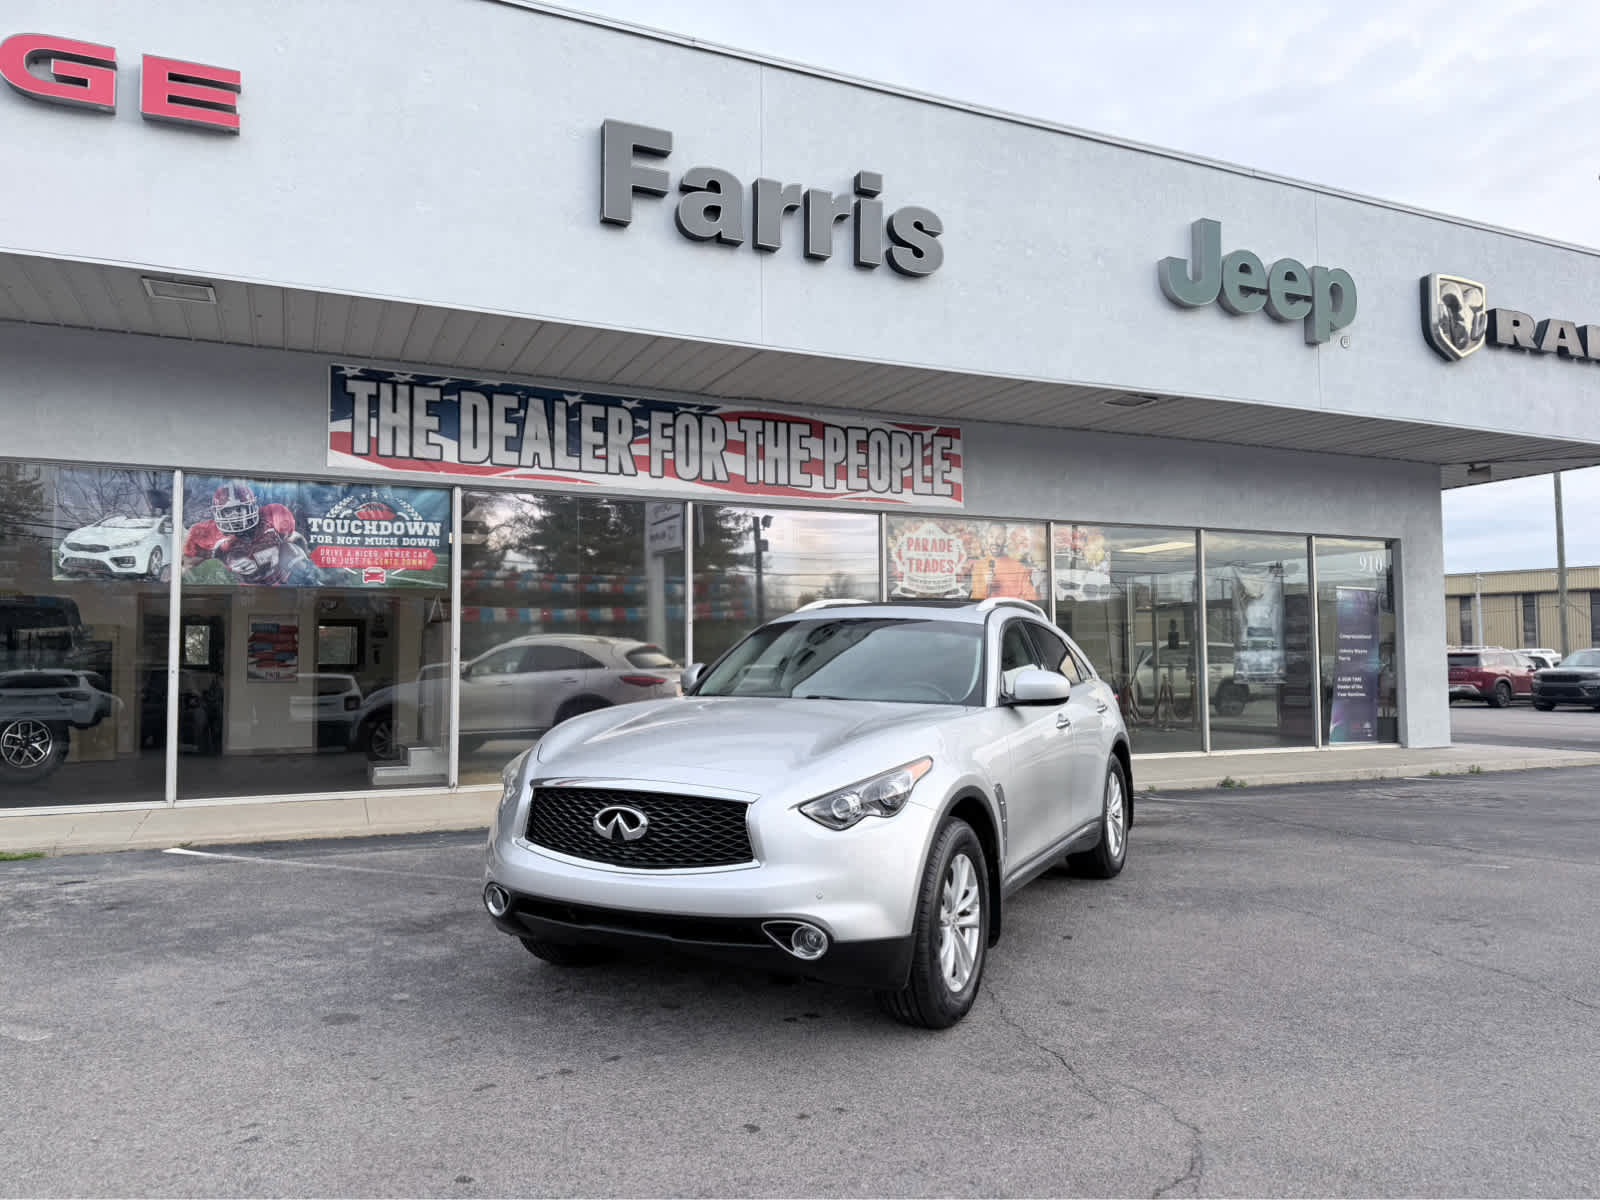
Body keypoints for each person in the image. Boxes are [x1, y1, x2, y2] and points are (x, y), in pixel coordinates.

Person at [184, 482, 316, 586]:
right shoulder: (206, 533)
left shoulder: (273, 516)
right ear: (218, 513)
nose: (235, 516)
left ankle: (310, 581)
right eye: (228, 511)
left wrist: (304, 563)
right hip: (238, 588)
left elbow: (296, 539)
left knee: (294, 551)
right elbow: (188, 565)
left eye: (239, 509)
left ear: (252, 506)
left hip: (279, 580)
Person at [969, 525, 1038, 601]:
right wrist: (985, 585)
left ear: (1005, 540)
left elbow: (1031, 598)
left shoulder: (1019, 568)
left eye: (999, 537)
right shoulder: (978, 567)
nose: (994, 542)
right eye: (991, 537)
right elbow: (975, 602)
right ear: (986, 539)